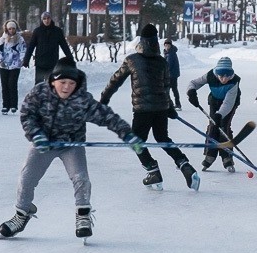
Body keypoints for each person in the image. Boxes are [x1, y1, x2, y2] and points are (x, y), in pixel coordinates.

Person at [0, 57, 141, 240]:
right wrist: (37, 135)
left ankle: (82, 215)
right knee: (27, 177)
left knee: (81, 178)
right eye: (62, 82)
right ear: (53, 81)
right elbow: (27, 115)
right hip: (44, 144)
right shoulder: (39, 94)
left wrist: (127, 134)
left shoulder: (82, 100)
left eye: (71, 83)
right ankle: (21, 214)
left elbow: (106, 117)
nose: (66, 87)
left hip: (71, 145)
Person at [100, 24, 199, 191]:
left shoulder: (132, 60)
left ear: (141, 41)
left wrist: (104, 100)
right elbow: (165, 87)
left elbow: (115, 81)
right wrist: (169, 108)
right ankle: (184, 164)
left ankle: (152, 170)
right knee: (162, 138)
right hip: (160, 109)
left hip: (142, 110)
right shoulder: (162, 62)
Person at [187, 56, 241, 172]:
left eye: (227, 76)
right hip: (214, 102)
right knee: (212, 127)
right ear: (217, 73)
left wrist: (219, 114)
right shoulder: (210, 75)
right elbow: (193, 83)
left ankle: (227, 158)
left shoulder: (234, 82)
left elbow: (228, 103)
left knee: (223, 127)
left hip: (229, 105)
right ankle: (210, 155)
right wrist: (191, 92)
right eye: (221, 76)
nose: (224, 79)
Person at [22, 11, 74, 84]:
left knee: (50, 84)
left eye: (48, 18)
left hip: (52, 62)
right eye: (44, 18)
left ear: (51, 19)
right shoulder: (37, 31)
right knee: (39, 84)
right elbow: (31, 46)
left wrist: (70, 58)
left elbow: (64, 46)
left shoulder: (57, 31)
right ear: (42, 20)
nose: (46, 20)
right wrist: (26, 60)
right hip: (40, 62)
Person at [0, 19, 27, 115]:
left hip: (15, 65)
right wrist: (0, 60)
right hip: (4, 65)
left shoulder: (20, 39)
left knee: (12, 84)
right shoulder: (2, 39)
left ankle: (13, 105)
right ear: (7, 29)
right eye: (9, 29)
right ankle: (5, 105)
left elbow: (23, 50)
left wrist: (22, 59)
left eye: (13, 28)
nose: (11, 30)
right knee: (4, 85)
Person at [163, 38, 182, 109]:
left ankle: (172, 104)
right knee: (172, 89)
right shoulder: (168, 53)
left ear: (171, 46)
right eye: (166, 45)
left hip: (172, 75)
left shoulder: (171, 54)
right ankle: (175, 104)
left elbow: (168, 65)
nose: (167, 47)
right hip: (172, 74)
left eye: (168, 45)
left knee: (168, 89)